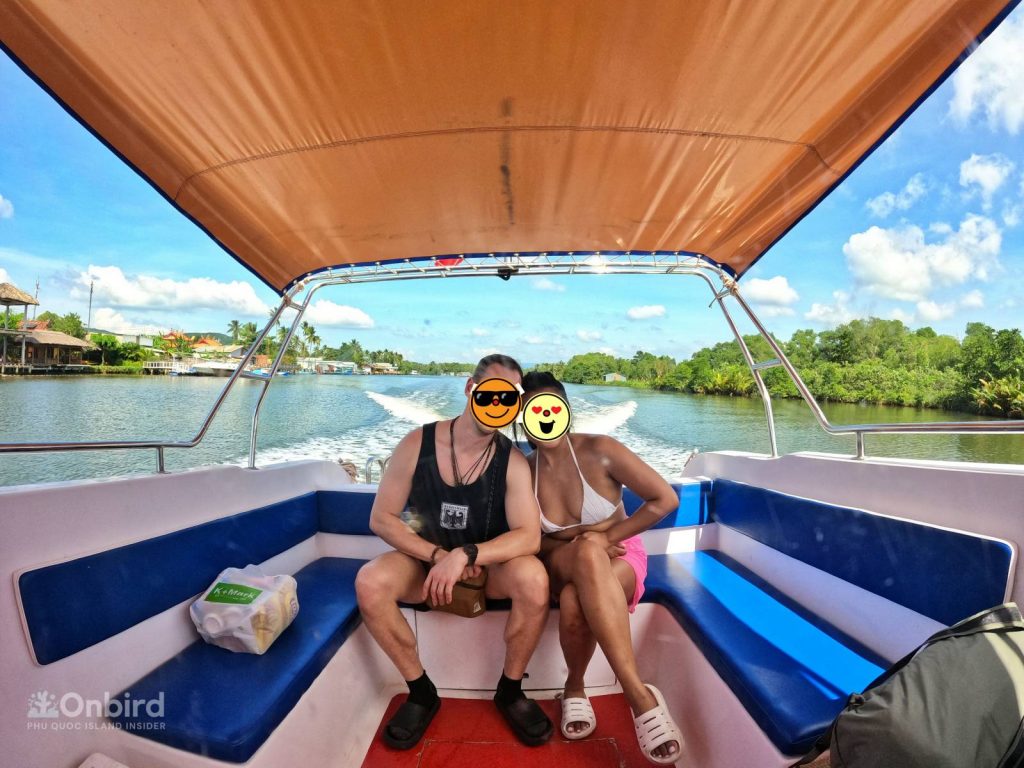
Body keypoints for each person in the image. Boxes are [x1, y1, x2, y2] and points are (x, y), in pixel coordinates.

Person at [356, 354, 553, 750]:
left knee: (534, 577)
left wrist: (465, 554)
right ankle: (421, 692)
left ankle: (510, 691)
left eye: (509, 398)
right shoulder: (418, 443)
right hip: (423, 566)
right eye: (491, 393)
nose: (498, 405)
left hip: (486, 569)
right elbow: (383, 519)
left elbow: (529, 536)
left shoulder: (512, 461)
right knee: (370, 582)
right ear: (470, 388)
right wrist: (436, 557)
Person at [521, 371, 684, 765]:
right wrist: (582, 540)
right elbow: (527, 539)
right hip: (559, 558)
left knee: (579, 593)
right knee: (586, 555)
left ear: (566, 411)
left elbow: (664, 500)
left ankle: (574, 688)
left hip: (620, 555)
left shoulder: (601, 450)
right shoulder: (523, 470)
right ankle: (638, 695)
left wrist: (606, 537)